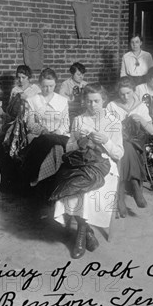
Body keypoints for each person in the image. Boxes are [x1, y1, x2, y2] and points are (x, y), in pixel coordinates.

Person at [53, 84, 124, 259]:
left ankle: (81, 235)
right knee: (68, 186)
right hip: (82, 161)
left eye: (96, 101)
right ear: (84, 101)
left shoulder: (114, 121)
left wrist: (106, 141)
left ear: (104, 100)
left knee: (85, 190)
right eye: (89, 101)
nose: (92, 105)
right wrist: (78, 140)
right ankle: (88, 233)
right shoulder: (79, 119)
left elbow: (119, 153)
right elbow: (69, 147)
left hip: (105, 165)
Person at [106, 77, 153, 215]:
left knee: (126, 147)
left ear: (134, 91)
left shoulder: (141, 106)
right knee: (125, 147)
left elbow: (151, 131)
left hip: (136, 142)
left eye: (128, 93)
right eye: (122, 94)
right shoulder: (112, 105)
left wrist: (141, 119)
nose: (125, 97)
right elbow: (107, 129)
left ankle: (120, 197)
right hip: (117, 141)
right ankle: (135, 184)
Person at [21, 68, 70, 187]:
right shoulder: (32, 100)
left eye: (51, 86)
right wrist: (43, 130)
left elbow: (66, 123)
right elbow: (30, 123)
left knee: (56, 145)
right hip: (38, 135)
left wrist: (58, 131)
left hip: (58, 135)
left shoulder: (62, 101)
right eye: (44, 86)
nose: (47, 89)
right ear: (39, 85)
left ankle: (43, 181)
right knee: (55, 147)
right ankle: (50, 182)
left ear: (55, 84)